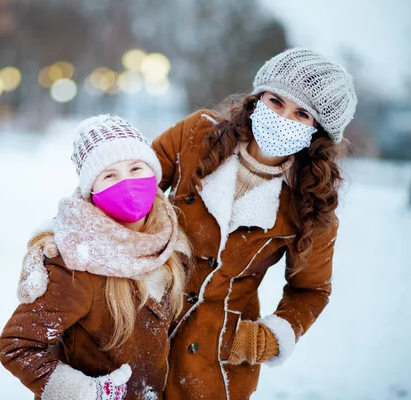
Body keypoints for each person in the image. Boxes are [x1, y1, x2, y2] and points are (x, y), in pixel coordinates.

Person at [150, 47, 357, 399]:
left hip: (215, 358)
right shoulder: (195, 136)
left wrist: (268, 337)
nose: (283, 117)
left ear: (317, 130)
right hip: (140, 318)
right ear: (258, 96)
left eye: (302, 113)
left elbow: (311, 291)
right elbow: (130, 188)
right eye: (276, 101)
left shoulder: (312, 205)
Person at [0, 115, 192, 400]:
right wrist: (87, 393)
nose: (127, 182)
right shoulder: (76, 262)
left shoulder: (172, 248)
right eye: (109, 175)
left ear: (153, 175)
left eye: (136, 168)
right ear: (93, 192)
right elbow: (17, 345)